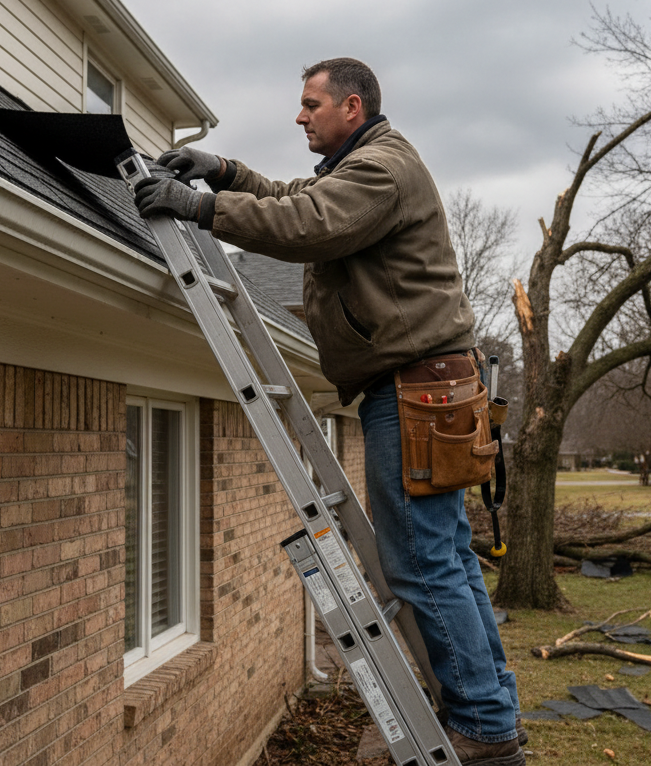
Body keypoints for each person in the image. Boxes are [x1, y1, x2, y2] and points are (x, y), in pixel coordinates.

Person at [133, 57, 523, 766]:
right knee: (447, 559)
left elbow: (307, 222)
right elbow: (294, 196)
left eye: (311, 103)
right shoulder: (367, 165)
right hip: (424, 386)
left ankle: (483, 725)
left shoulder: (381, 169)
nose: (299, 115)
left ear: (352, 105)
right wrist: (221, 171)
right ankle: (489, 708)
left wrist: (198, 207)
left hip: (415, 391)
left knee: (424, 566)